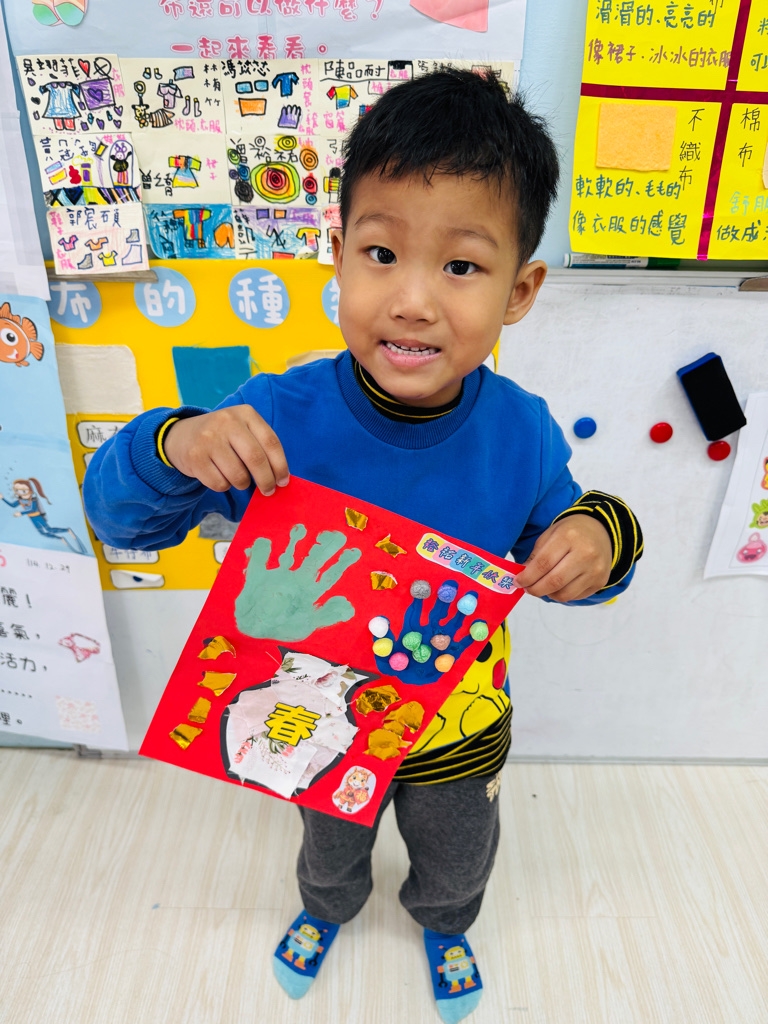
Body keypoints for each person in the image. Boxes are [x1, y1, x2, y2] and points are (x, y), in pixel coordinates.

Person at [83, 69, 642, 1023]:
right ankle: (326, 910)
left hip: (456, 726)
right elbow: (123, 522)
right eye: (381, 253)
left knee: (458, 852)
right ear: (337, 255)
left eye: (462, 267)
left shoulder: (523, 431)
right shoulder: (274, 412)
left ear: (520, 291)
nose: (413, 300)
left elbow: (573, 562)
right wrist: (174, 443)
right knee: (328, 842)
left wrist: (599, 535)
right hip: (311, 711)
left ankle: (446, 924)